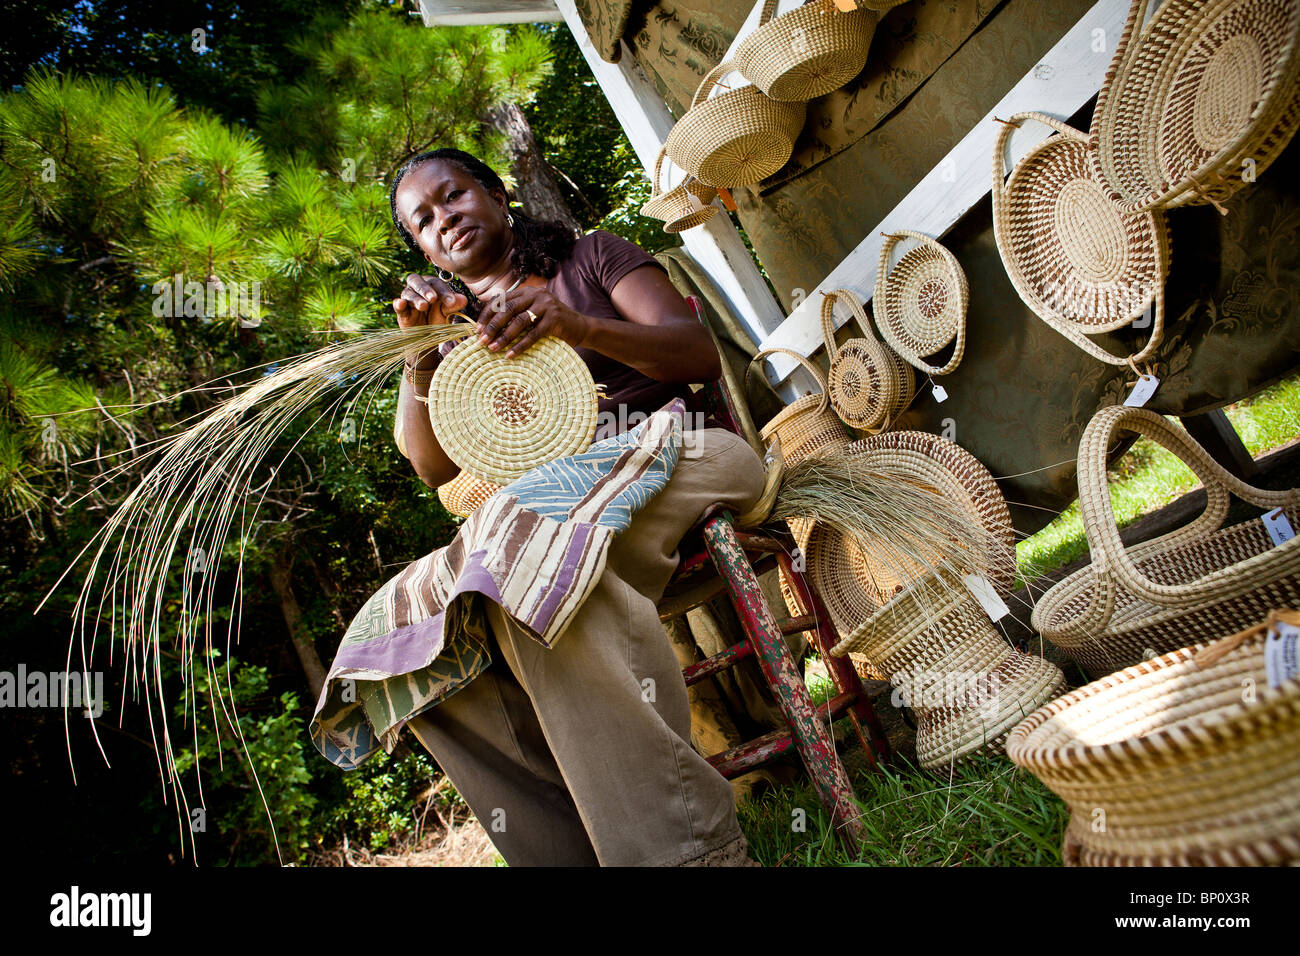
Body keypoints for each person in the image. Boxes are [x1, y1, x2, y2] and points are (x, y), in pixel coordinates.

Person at [385, 148, 766, 866]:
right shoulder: (453, 343)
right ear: (424, 252)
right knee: (429, 638)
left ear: (498, 196)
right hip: (558, 513)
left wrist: (580, 328)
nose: (445, 220)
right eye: (424, 221)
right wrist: (418, 352)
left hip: (680, 450)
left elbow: (695, 356)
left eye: (454, 196)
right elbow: (432, 467)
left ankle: (689, 856)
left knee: (537, 577)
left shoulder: (590, 260)